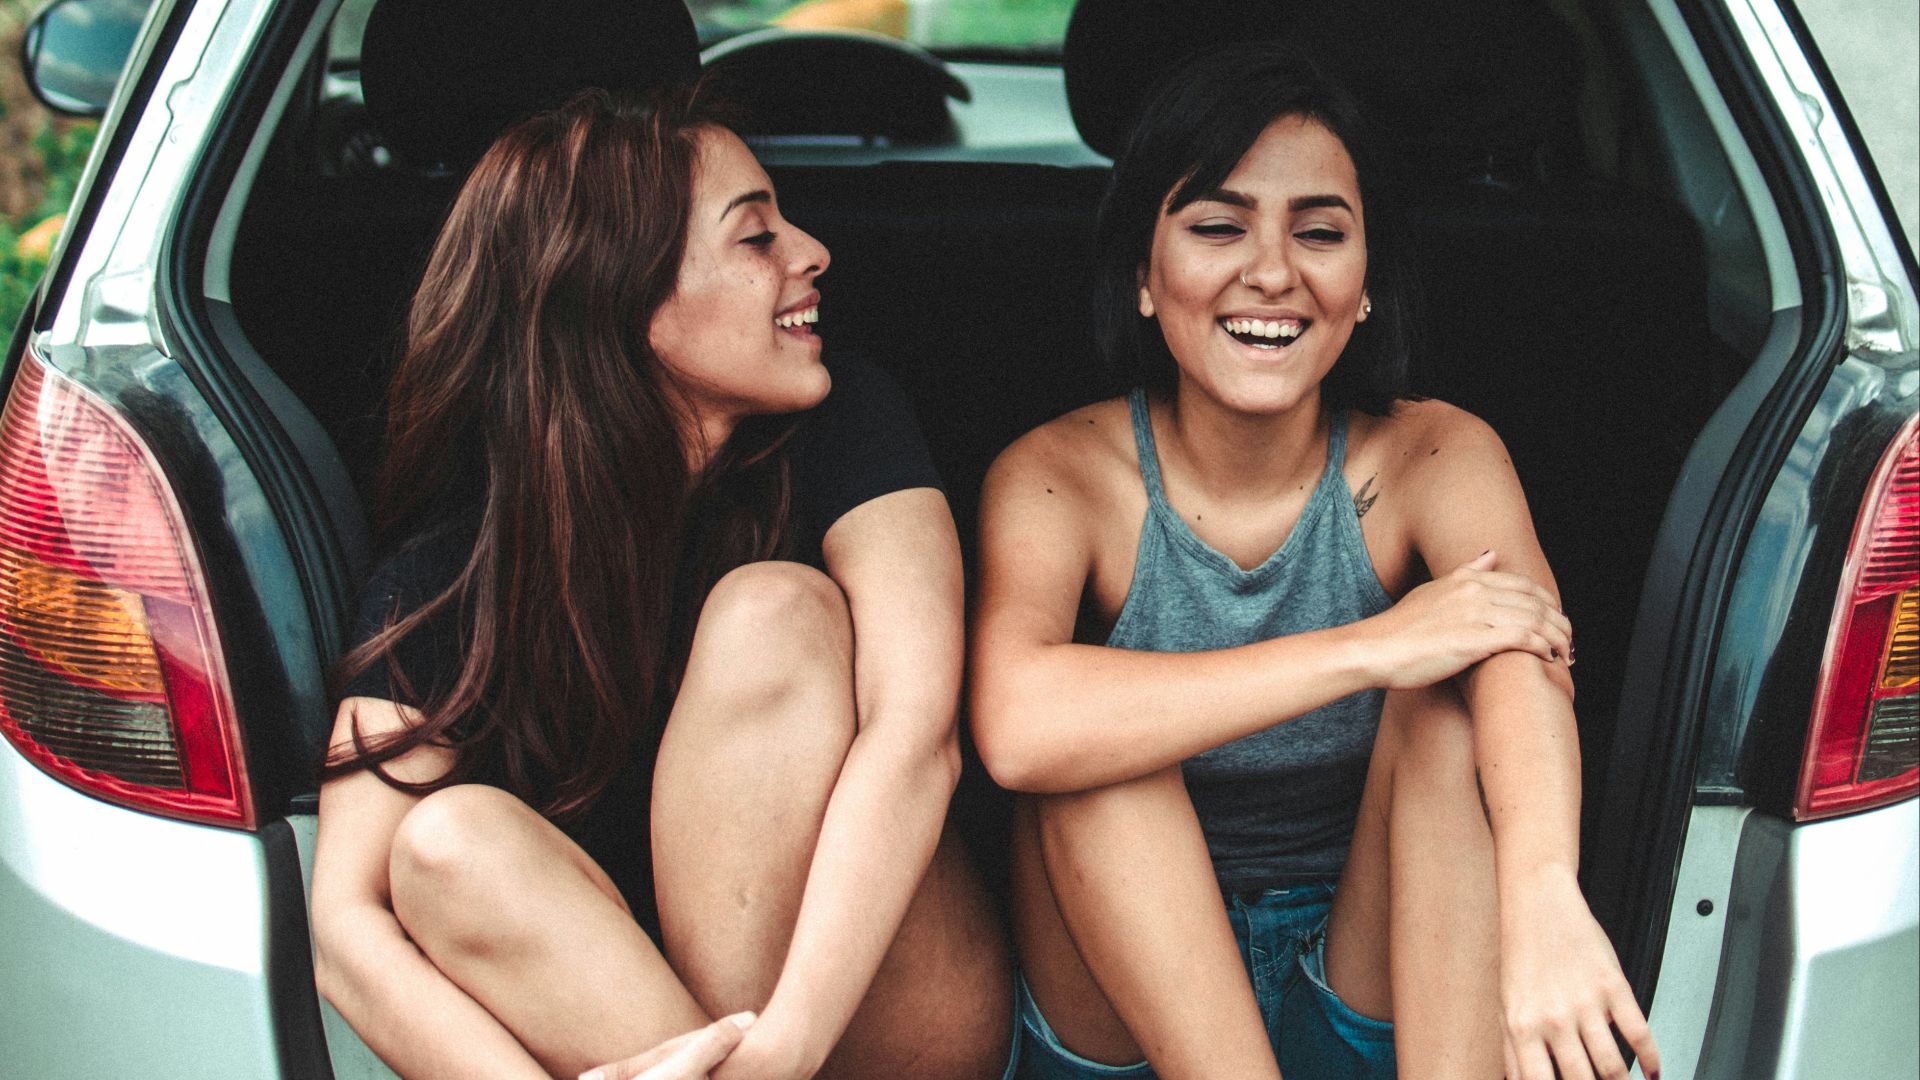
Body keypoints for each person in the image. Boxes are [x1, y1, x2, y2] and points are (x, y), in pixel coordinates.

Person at [969, 43, 1661, 1080]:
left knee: (1451, 705)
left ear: (1368, 283)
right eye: (1218, 227)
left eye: (1321, 233)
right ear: (1144, 277)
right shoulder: (1059, 474)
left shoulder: (1436, 451)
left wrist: (1546, 901)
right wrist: (1372, 647)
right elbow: (1018, 729)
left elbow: (1526, 658)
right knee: (1095, 756)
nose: (1272, 273)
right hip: (1126, 1000)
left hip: (1364, 966)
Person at [309, 84, 1012, 1080]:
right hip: (644, 1041)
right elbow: (346, 928)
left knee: (770, 613)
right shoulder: (452, 573)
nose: (813, 252)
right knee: (444, 845)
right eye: (756, 237)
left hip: (881, 1022)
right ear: (624, 301)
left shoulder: (847, 424)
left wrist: (781, 1053)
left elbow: (916, 737)